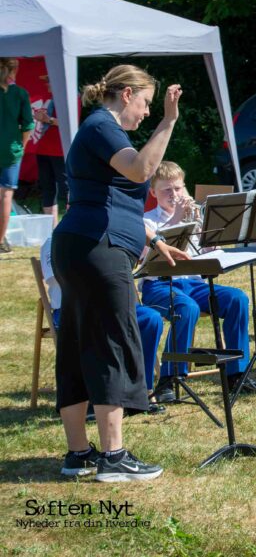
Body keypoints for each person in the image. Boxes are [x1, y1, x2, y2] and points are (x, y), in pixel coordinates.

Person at [51, 64, 184, 482]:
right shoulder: (101, 126)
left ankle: (79, 454)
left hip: (82, 244)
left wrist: (149, 234)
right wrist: (168, 120)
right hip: (98, 249)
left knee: (76, 345)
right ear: (126, 95)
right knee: (111, 342)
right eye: (145, 103)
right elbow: (141, 171)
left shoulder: (100, 130)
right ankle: (113, 456)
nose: (146, 112)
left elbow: (106, 194)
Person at [141, 161, 256, 401]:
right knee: (186, 308)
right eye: (167, 191)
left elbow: (209, 257)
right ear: (153, 193)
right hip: (160, 285)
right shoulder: (147, 222)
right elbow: (150, 259)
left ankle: (236, 373)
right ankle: (170, 379)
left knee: (237, 299)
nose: (175, 195)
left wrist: (209, 236)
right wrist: (175, 219)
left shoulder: (195, 217)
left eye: (179, 189)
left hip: (195, 284)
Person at [40, 237, 165, 418]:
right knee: (99, 322)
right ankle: (96, 398)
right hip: (75, 307)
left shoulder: (109, 236)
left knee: (150, 319)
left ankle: (142, 391)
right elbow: (57, 277)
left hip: (115, 303)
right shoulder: (55, 240)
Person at [0, 58, 34, 253]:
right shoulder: (20, 93)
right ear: (14, 70)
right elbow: (28, 125)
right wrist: (21, 145)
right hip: (11, 150)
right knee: (5, 196)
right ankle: (0, 241)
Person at [30, 74, 68, 227]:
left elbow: (69, 122)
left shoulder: (71, 98)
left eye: (49, 81)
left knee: (67, 189)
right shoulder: (48, 98)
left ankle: (70, 225)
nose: (46, 85)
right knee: (47, 189)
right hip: (42, 149)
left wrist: (48, 120)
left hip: (60, 151)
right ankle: (51, 229)